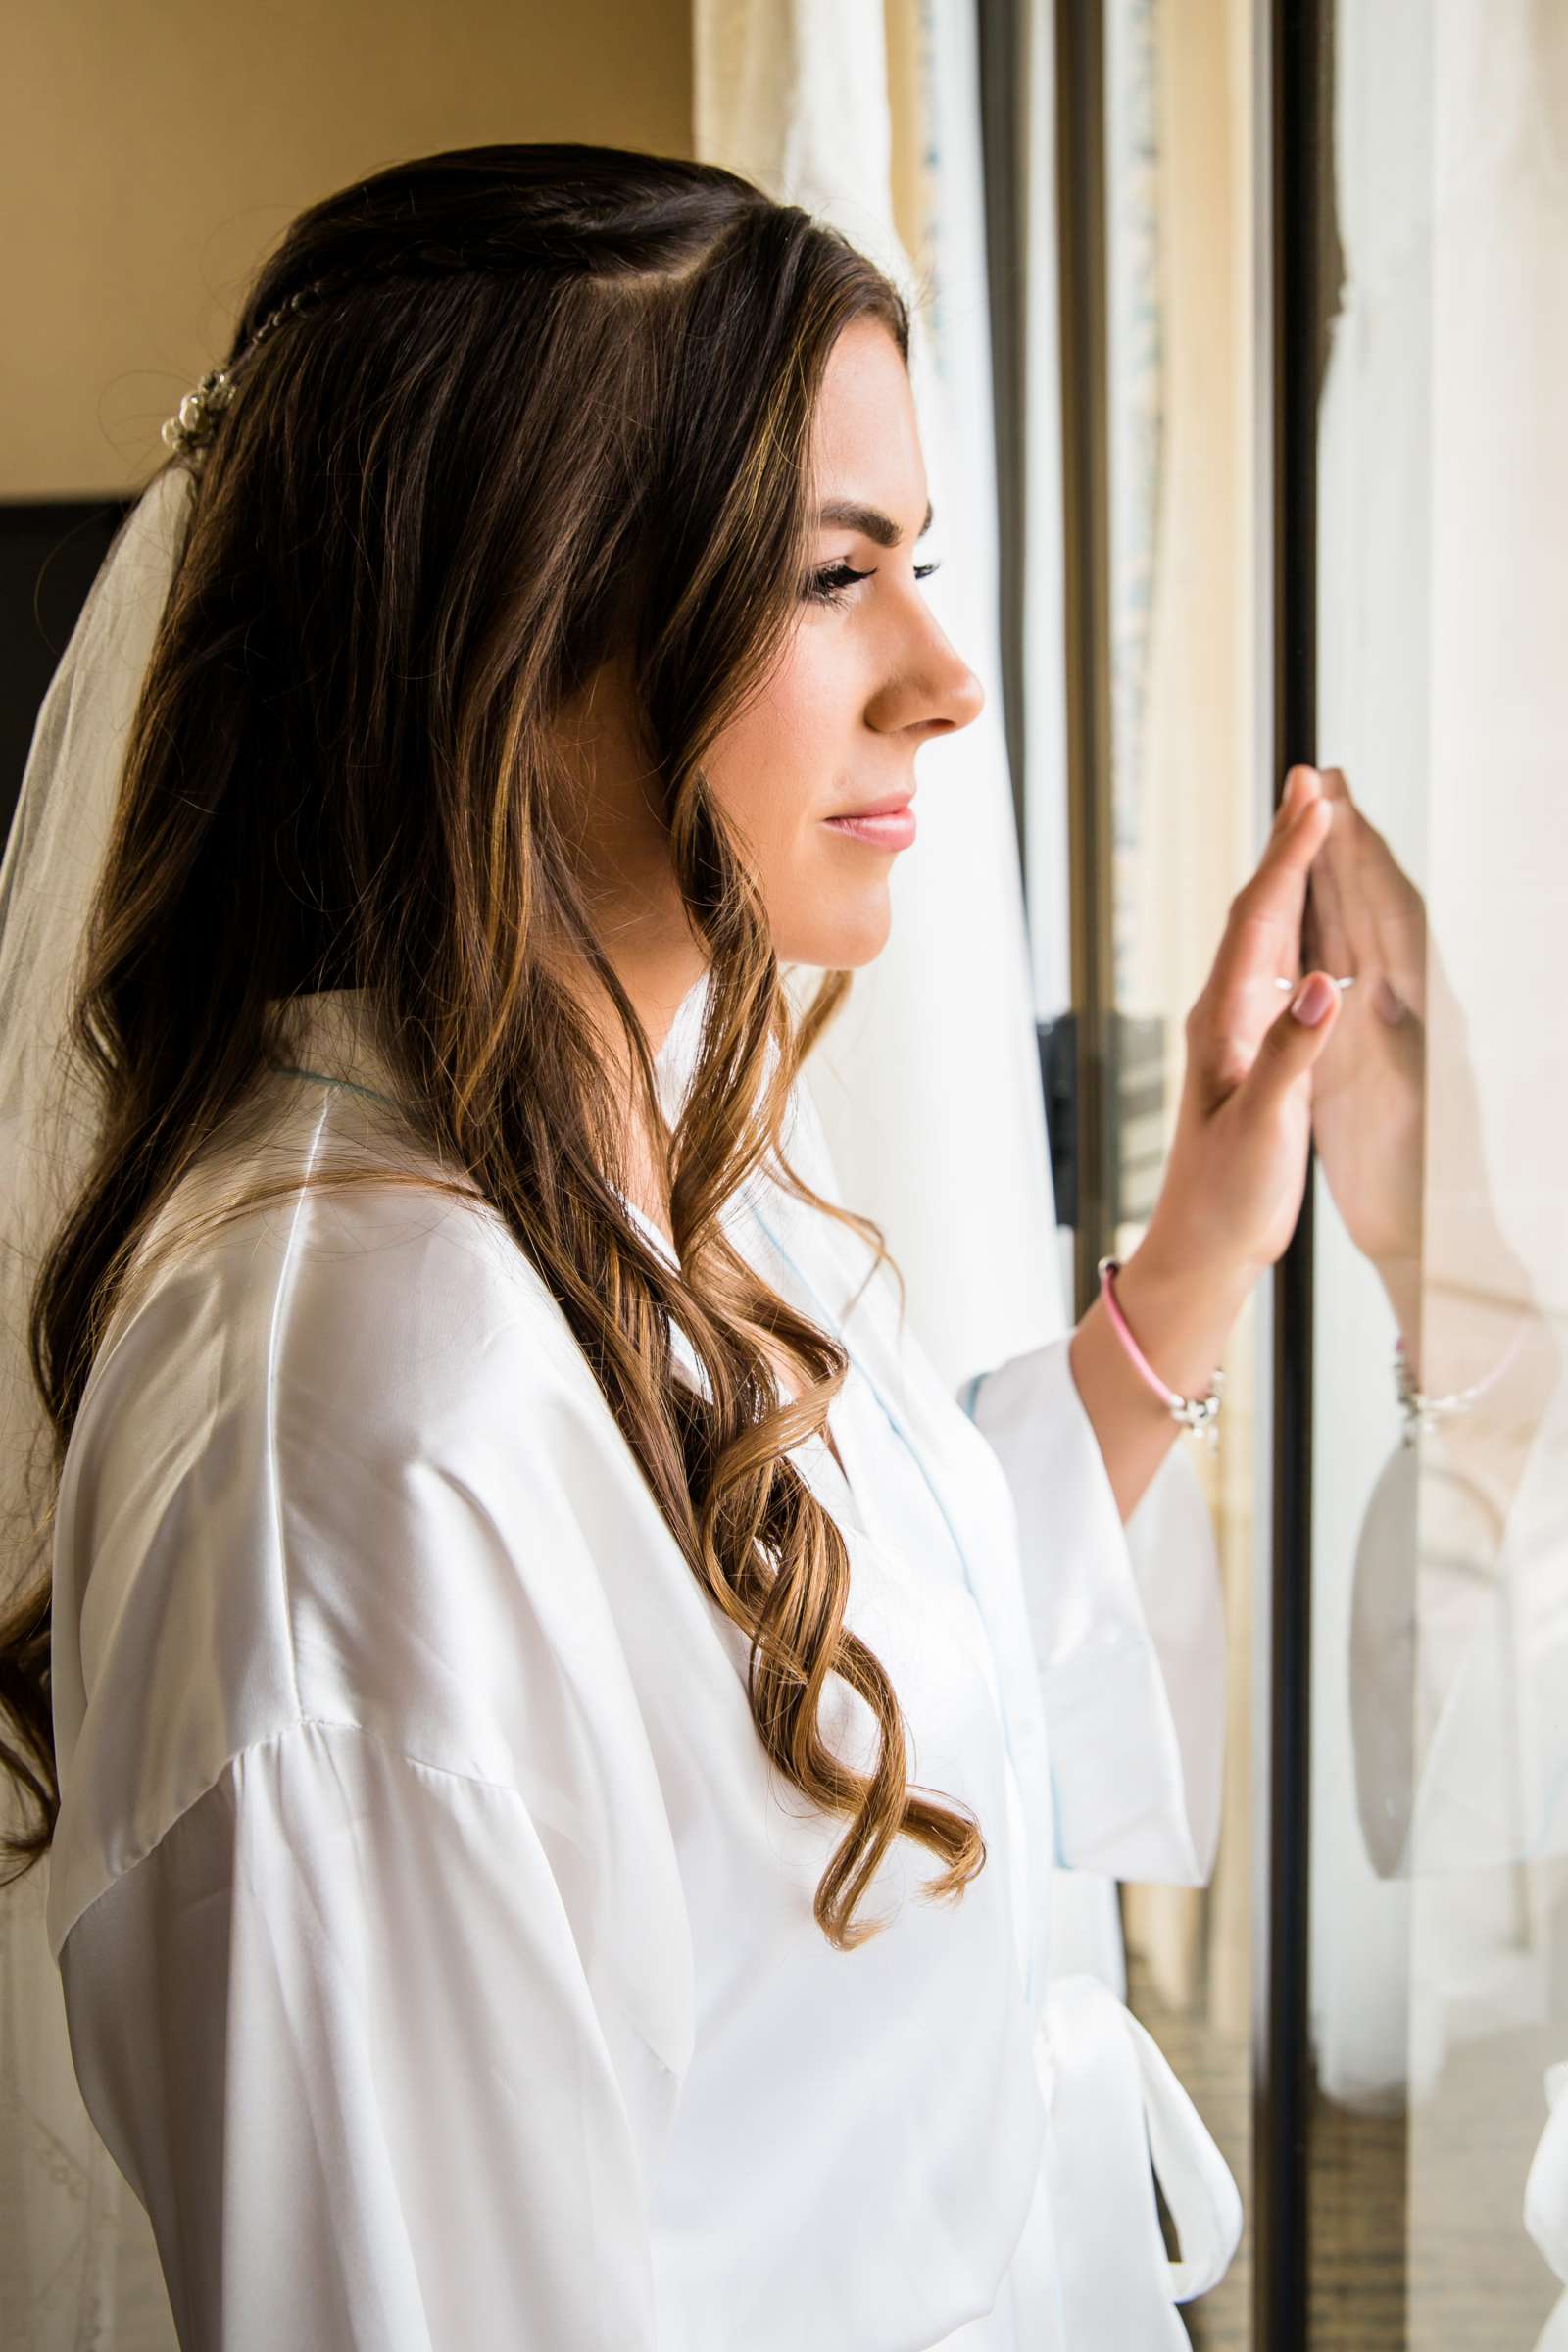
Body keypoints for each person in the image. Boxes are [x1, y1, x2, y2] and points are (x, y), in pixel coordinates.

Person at [0, 142, 1346, 2349]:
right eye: (835, 578)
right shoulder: (347, 1440)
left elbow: (820, 1687)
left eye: (920, 561)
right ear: (517, 625)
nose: (944, 675)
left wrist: (1191, 1257)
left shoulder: (622, 1182)